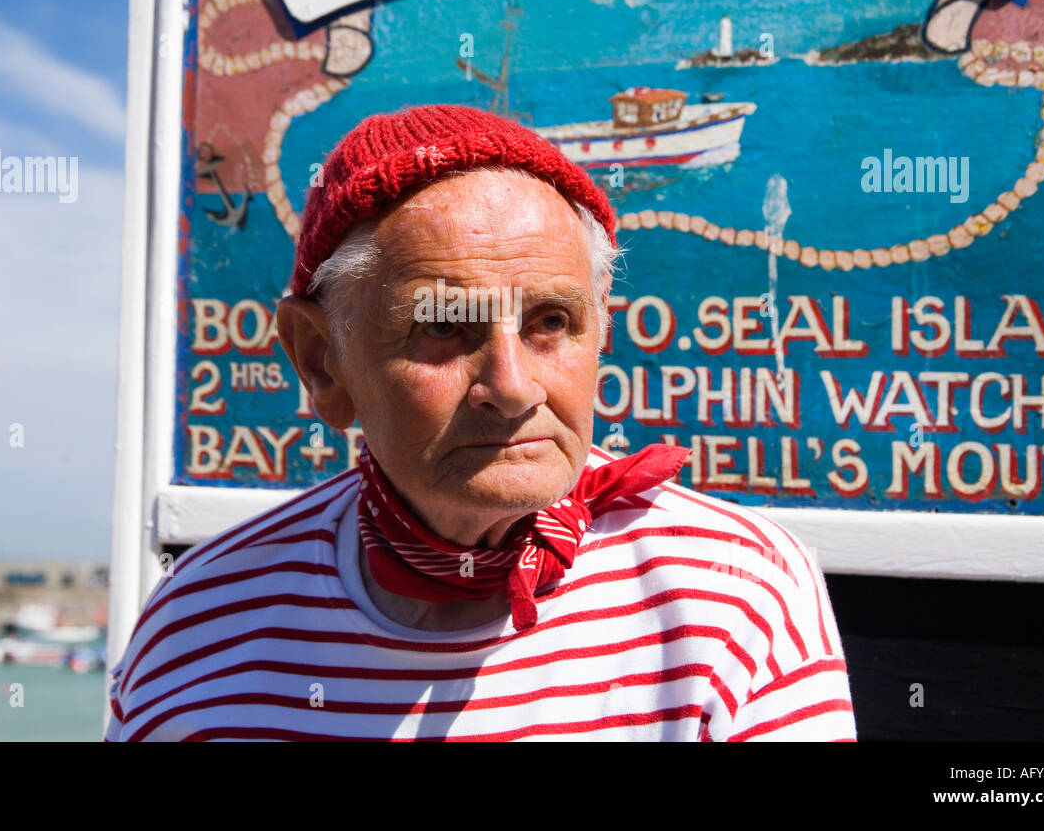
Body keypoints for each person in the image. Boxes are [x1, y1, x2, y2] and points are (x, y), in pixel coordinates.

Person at [105, 104, 856, 741]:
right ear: (321, 362)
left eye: (551, 321)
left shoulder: (736, 591)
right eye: (441, 328)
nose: (512, 385)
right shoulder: (201, 622)